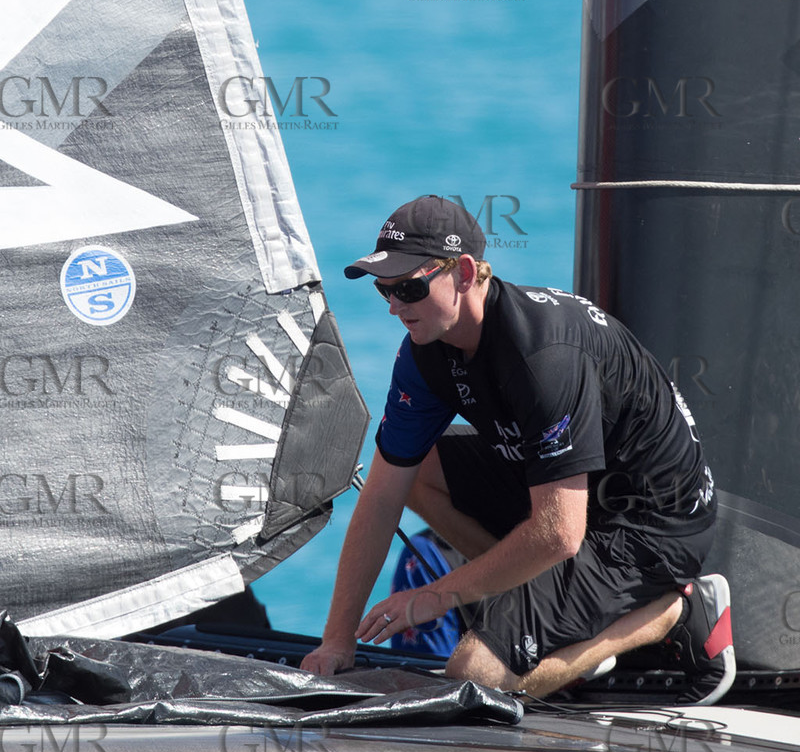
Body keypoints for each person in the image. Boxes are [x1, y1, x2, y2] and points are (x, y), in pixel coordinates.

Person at [301, 195, 734, 703]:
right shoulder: (424, 353)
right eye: (385, 291)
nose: (396, 307)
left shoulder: (543, 356)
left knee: (473, 678)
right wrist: (335, 641)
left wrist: (439, 595)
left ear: (463, 272)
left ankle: (672, 613)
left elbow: (559, 534)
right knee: (417, 472)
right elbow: (381, 495)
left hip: (650, 524)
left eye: (410, 289)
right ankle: (527, 604)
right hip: (575, 489)